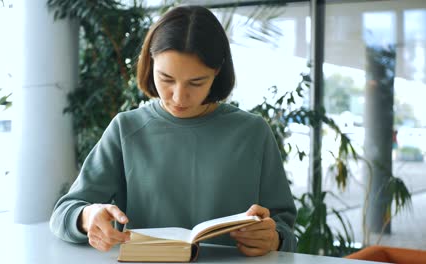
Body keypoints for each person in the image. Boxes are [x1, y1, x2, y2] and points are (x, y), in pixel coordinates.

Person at [50, 5, 297, 257]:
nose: (179, 97)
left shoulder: (253, 132)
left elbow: (284, 228)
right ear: (150, 63)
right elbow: (63, 213)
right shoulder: (127, 129)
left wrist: (273, 237)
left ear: (217, 72)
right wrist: (87, 216)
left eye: (196, 82)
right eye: (166, 79)